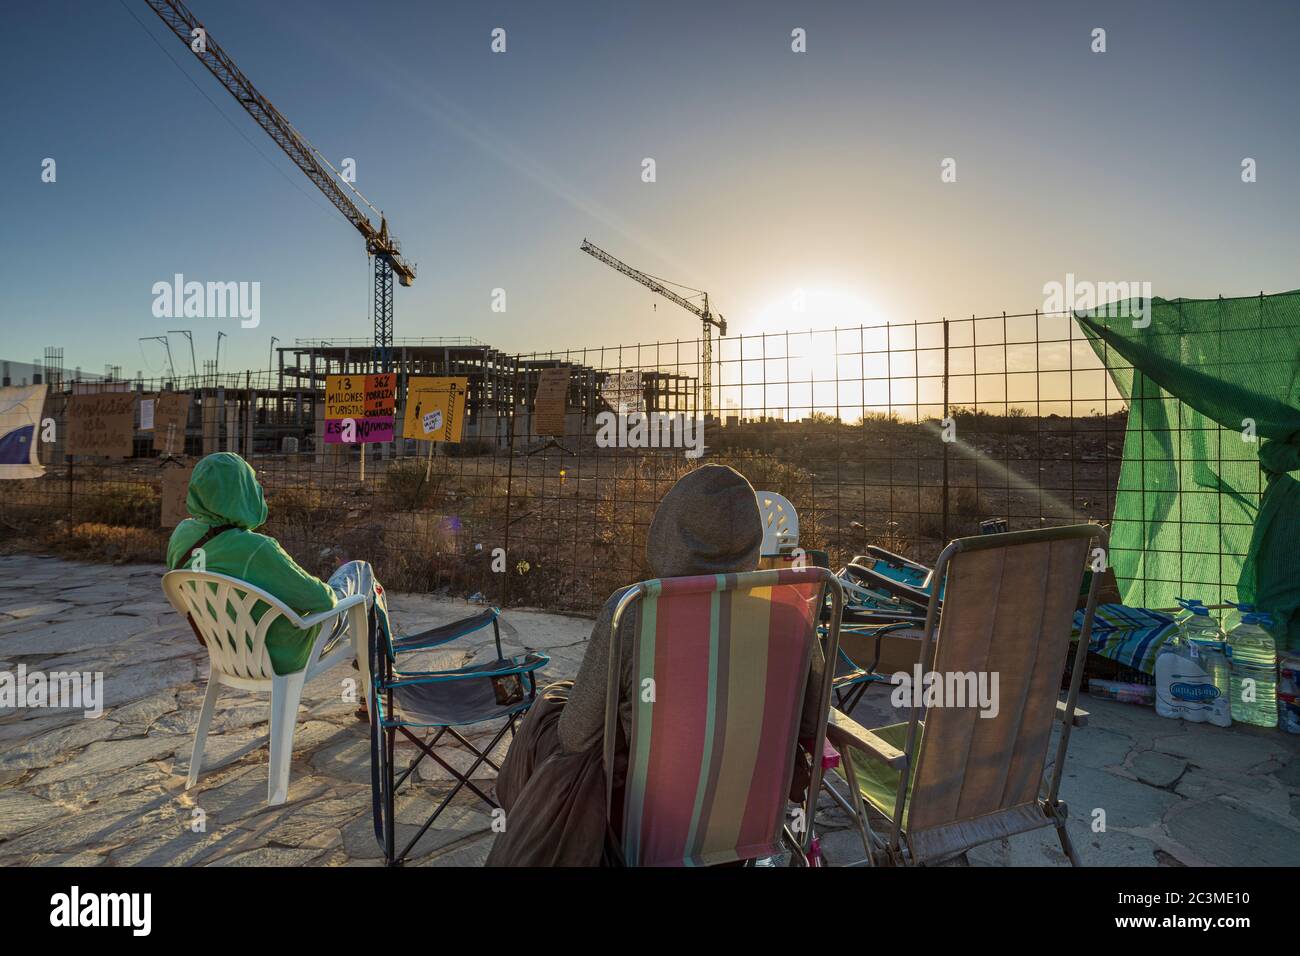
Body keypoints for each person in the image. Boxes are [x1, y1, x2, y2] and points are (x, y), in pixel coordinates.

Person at [486, 464, 825, 866]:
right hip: (745, 823)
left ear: (668, 530)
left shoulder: (634, 612)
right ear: (753, 537)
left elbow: (576, 736)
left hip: (646, 821)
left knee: (549, 719)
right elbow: (811, 724)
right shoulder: (790, 616)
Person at [165, 452, 389, 707]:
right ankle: (373, 686)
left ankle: (373, 678)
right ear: (244, 491)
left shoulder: (182, 537)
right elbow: (322, 601)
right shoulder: (256, 549)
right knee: (361, 574)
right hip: (284, 653)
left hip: (230, 653)